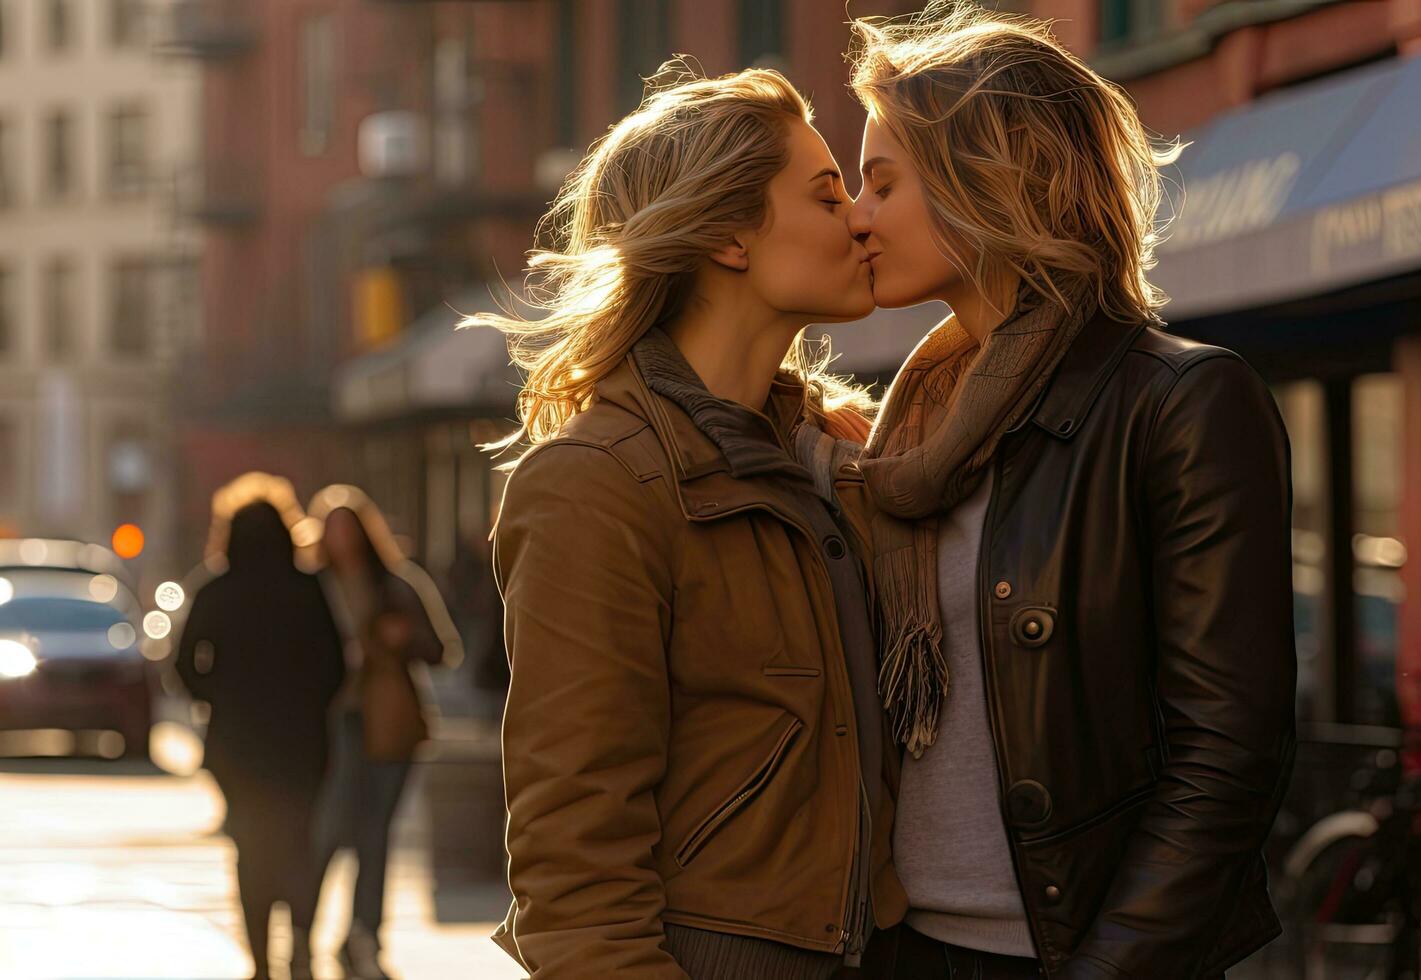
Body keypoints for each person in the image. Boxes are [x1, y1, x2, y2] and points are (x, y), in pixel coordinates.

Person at [842, 4, 1298, 978]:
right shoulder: (906, 426)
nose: (857, 215)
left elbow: (1228, 754)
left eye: (883, 183)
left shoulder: (1178, 403)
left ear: (989, 181)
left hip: (1073, 955)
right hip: (904, 948)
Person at [468, 62, 903, 978]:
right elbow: (575, 867)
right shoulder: (594, 482)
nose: (861, 217)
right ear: (729, 236)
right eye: (828, 197)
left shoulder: (836, 456)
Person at [175, 473, 346, 980]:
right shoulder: (309, 590)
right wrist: (309, 704)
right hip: (301, 743)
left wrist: (218, 699)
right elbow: (336, 665)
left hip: (237, 743)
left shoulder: (214, 591)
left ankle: (259, 961)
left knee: (249, 848)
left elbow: (183, 665)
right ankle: (300, 947)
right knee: (298, 844)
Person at [305, 484, 461, 980]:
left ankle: (363, 935)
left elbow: (443, 648)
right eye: (332, 531)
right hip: (332, 724)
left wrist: (404, 637)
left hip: (388, 722)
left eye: (349, 529)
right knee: (329, 830)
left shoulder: (397, 583)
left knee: (375, 833)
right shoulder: (310, 586)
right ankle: (305, 932)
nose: (342, 540)